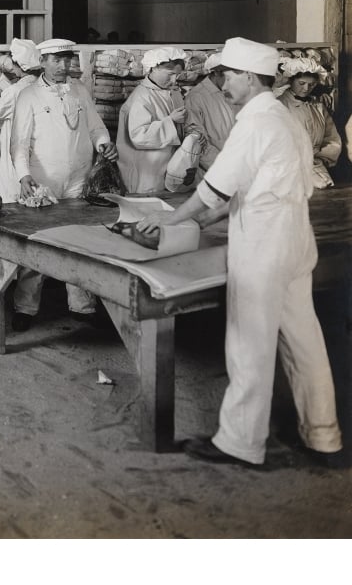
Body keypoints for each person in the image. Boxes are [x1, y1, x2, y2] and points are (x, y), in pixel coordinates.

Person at [137, 37, 344, 469]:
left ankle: (240, 442)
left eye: (228, 75)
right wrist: (203, 221)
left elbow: (214, 191)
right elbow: (250, 188)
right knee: (304, 340)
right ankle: (323, 436)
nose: (223, 83)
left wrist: (173, 220)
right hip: (294, 237)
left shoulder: (254, 122)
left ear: (249, 78)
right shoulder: (282, 117)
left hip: (264, 243)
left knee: (250, 341)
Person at [8, 38, 118, 330]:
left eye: (67, 60)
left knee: (79, 239)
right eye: (56, 60)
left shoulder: (80, 91)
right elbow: (18, 143)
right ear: (42, 61)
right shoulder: (28, 95)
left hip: (78, 179)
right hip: (42, 180)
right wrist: (23, 174)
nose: (62, 66)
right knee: (36, 243)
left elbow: (95, 127)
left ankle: (81, 304)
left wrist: (104, 143)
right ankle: (25, 307)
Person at [116, 46, 188, 194]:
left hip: (166, 167)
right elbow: (139, 136)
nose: (174, 80)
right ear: (154, 68)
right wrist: (171, 121)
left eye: (177, 75)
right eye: (170, 74)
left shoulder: (172, 92)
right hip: (146, 172)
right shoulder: (141, 97)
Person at [276, 55, 340, 189]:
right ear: (291, 80)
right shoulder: (279, 106)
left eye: (311, 85)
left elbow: (332, 138)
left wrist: (320, 157)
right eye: (301, 83)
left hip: (317, 166)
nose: (306, 89)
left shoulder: (318, 106)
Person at [0, 38, 41, 203]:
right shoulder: (38, 85)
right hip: (37, 162)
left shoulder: (15, 91)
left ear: (17, 65)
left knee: (15, 204)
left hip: (16, 164)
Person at [184, 51, 236, 175]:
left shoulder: (231, 92)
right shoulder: (196, 97)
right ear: (216, 73)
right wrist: (225, 168)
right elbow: (198, 142)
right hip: (214, 171)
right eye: (229, 77)